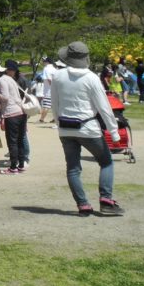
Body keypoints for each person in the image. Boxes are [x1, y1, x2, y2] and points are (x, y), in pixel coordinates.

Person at [51, 41, 123, 216]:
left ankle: (83, 205)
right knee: (106, 162)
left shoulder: (58, 76)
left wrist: (59, 124)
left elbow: (55, 104)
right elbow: (104, 107)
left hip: (65, 128)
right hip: (88, 128)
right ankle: (106, 200)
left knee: (73, 168)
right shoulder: (91, 78)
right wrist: (114, 132)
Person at [0, 58, 27, 174]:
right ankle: (21, 165)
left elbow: (5, 97)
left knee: (12, 141)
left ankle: (13, 167)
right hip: (20, 112)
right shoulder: (9, 78)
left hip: (11, 114)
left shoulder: (2, 80)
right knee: (19, 140)